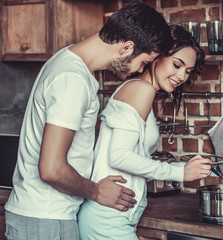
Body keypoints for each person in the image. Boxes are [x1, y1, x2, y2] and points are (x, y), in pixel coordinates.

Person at [4, 3, 172, 240]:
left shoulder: (67, 60)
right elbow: (51, 169)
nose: (139, 70)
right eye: (144, 62)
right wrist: (96, 191)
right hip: (46, 221)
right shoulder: (72, 79)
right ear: (126, 47)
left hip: (43, 218)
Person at [77, 25, 212, 239]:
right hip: (107, 219)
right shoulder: (141, 89)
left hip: (116, 217)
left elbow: (132, 157)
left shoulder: (138, 88)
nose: (181, 76)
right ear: (156, 57)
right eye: (177, 65)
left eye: (187, 71)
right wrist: (179, 173)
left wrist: (183, 168)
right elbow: (120, 156)